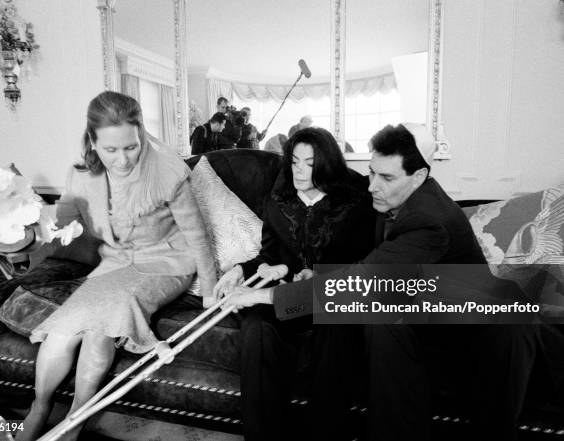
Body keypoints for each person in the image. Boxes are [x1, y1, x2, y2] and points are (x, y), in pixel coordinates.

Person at [225, 123, 537, 440]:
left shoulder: (428, 220)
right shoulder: (389, 201)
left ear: (419, 177)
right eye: (372, 172)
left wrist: (261, 297)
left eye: (386, 177)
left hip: (483, 332)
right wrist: (311, 274)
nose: (372, 185)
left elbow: (362, 280)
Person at [17, 91, 217, 441]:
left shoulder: (169, 171)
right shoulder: (81, 175)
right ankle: (40, 407)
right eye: (111, 150)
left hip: (166, 262)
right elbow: (60, 226)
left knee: (102, 328)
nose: (123, 160)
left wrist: (210, 291)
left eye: (131, 147)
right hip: (115, 265)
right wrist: (19, 226)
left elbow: (197, 235)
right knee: (64, 328)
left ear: (141, 136)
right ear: (92, 141)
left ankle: (74, 424)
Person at [214, 127, 376, 441]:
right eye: (295, 161)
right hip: (285, 296)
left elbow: (366, 261)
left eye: (309, 163)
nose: (299, 171)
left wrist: (320, 276)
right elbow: (272, 253)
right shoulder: (280, 195)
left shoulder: (357, 197)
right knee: (257, 327)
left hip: (334, 296)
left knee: (338, 325)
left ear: (326, 163)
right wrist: (243, 268)